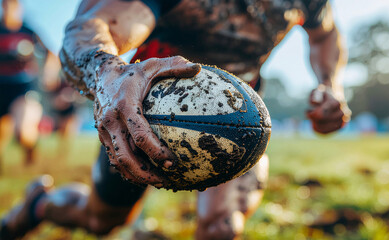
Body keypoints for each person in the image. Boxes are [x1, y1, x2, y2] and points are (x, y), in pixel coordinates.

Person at [0, 0, 351, 239]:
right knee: (101, 219)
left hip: (237, 124)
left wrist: (330, 84)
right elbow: (94, 24)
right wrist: (107, 73)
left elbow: (324, 35)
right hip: (139, 115)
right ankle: (39, 205)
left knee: (222, 225)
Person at [0, 0, 59, 168]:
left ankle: (30, 147)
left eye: (13, 6)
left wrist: (49, 74)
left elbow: (51, 54)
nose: (8, 9)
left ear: (19, 9)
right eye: (5, 5)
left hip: (22, 86)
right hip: (1, 85)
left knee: (23, 132)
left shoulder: (28, 31)